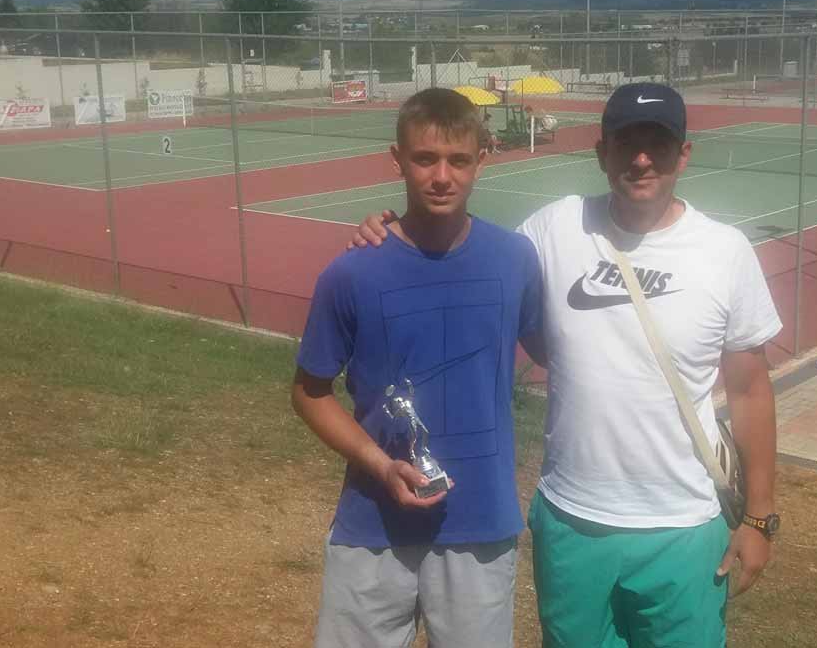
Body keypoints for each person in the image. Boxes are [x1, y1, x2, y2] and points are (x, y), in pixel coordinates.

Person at [349, 82, 782, 647]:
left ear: (683, 154)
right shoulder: (554, 229)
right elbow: (466, 258)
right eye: (626, 144)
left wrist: (759, 518)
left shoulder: (726, 251)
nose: (642, 159)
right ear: (602, 153)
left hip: (684, 526)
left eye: (658, 144)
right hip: (571, 522)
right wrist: (393, 230)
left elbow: (749, 390)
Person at [292, 87, 542, 648]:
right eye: (425, 158)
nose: (442, 177)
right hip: (373, 525)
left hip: (480, 522)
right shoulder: (353, 272)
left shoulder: (515, 259)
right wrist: (381, 466)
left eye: (459, 160)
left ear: (483, 158)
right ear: (397, 159)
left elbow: (562, 349)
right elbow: (309, 392)